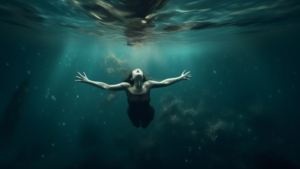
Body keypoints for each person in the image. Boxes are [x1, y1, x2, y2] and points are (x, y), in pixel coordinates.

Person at [75, 69, 192, 128]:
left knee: (145, 126)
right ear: (131, 78)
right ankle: (136, 123)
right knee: (136, 126)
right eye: (135, 70)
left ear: (142, 75)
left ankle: (145, 122)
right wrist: (88, 81)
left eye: (139, 69)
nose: (137, 69)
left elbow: (165, 82)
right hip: (133, 114)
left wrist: (180, 77)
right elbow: (107, 86)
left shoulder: (149, 84)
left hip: (148, 113)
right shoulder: (127, 86)